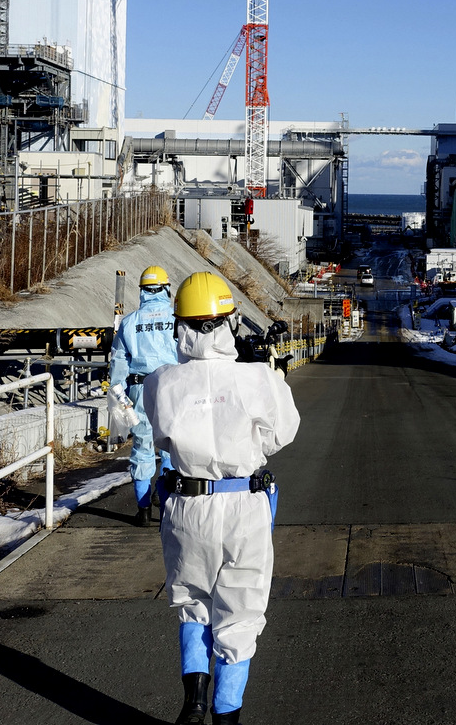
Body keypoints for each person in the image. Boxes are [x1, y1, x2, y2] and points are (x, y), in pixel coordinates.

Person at [145, 271, 299, 725]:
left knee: (193, 603)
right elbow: (281, 435)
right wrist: (271, 374)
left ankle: (193, 698)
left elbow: (160, 440)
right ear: (229, 322)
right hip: (242, 504)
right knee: (240, 615)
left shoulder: (162, 382)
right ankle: (225, 716)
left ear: (181, 326)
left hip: (186, 505)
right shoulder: (256, 378)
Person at [108, 265, 180, 526]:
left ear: (142, 291)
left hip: (139, 389)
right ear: (166, 288)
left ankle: (143, 510)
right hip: (172, 388)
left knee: (142, 448)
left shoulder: (129, 323)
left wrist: (121, 399)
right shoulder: (176, 319)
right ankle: (168, 503)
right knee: (173, 446)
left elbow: (118, 367)